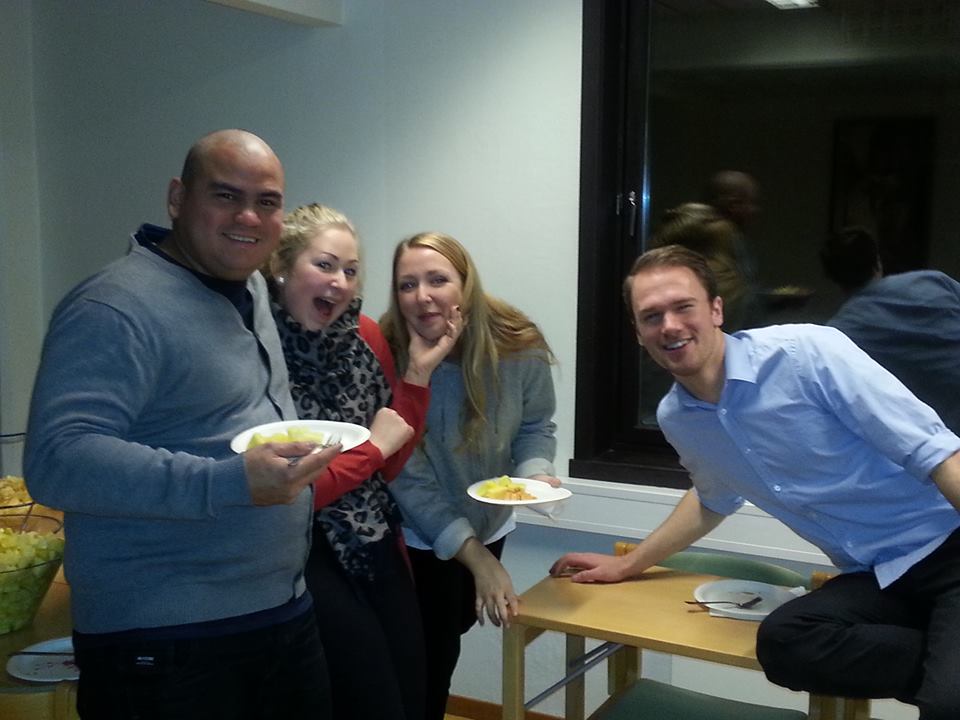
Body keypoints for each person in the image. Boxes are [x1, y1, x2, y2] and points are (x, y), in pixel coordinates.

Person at [550, 245, 960, 720]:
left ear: (716, 309)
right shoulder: (679, 417)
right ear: (639, 333)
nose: (670, 326)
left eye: (683, 307)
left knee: (945, 706)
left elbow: (936, 453)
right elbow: (712, 498)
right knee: (785, 643)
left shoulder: (806, 354)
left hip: (948, 549)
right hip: (876, 574)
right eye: (652, 316)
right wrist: (628, 564)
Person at [24, 129, 339, 719]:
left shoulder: (249, 288)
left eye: (267, 201)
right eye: (226, 195)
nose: (248, 216)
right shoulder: (113, 306)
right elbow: (58, 458)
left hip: (279, 613)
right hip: (166, 641)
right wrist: (229, 481)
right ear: (177, 198)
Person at [265, 204, 461, 720]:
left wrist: (417, 377)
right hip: (300, 547)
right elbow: (289, 489)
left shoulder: (365, 337)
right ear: (281, 267)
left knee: (413, 690)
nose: (340, 282)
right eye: (325, 265)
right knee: (370, 699)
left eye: (351, 271)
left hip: (373, 534)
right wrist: (372, 450)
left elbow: (389, 464)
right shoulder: (255, 350)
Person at [381, 232, 560, 720]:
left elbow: (535, 426)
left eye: (437, 280)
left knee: (451, 636)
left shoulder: (517, 340)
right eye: (407, 284)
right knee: (425, 659)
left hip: (490, 523)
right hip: (417, 534)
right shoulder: (387, 352)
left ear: (466, 283)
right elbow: (404, 473)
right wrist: (476, 559)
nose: (423, 296)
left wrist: (534, 474)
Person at [821, 225, 960, 433]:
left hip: (937, 431)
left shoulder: (839, 334)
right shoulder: (933, 281)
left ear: (832, 277)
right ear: (878, 261)